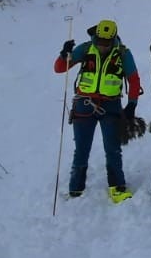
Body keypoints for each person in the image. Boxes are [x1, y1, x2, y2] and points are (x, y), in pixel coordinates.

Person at [54, 19, 142, 202]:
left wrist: (132, 104)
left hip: (111, 106)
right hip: (84, 105)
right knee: (81, 149)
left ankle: (117, 188)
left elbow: (134, 79)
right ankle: (75, 189)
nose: (102, 46)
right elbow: (59, 69)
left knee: (113, 149)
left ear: (113, 39)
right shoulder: (85, 49)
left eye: (106, 43)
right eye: (99, 42)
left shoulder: (123, 54)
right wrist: (64, 54)